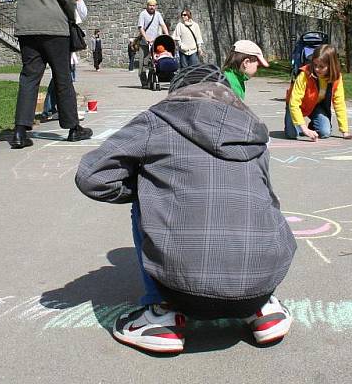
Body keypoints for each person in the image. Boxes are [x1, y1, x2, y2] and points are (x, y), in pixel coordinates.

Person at [75, 64, 296, 354]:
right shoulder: (252, 128)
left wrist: (146, 189)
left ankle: (162, 315)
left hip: (181, 291)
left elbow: (92, 177)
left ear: (176, 92)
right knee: (252, 198)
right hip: (260, 283)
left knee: (146, 192)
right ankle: (263, 310)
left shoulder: (157, 120)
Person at [12, 0, 92, 148]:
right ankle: (73, 128)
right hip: (54, 26)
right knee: (62, 77)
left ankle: (20, 131)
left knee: (29, 77)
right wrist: (70, 16)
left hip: (27, 26)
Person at [285, 44, 352, 141]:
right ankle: (299, 126)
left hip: (315, 106)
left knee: (325, 132)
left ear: (331, 65)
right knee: (292, 134)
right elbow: (294, 103)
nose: (317, 69)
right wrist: (304, 129)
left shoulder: (336, 77)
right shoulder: (305, 75)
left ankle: (312, 127)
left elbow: (339, 103)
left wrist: (345, 132)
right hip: (297, 106)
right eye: (315, 65)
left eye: (321, 66)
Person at [136, 0, 169, 88]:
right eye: (150, 5)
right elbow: (141, 27)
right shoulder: (143, 14)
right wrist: (146, 37)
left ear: (156, 7)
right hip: (144, 43)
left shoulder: (158, 15)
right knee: (143, 63)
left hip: (154, 43)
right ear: (147, 6)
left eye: (153, 6)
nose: (152, 7)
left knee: (154, 63)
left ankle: (151, 81)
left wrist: (167, 36)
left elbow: (163, 25)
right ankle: (144, 83)